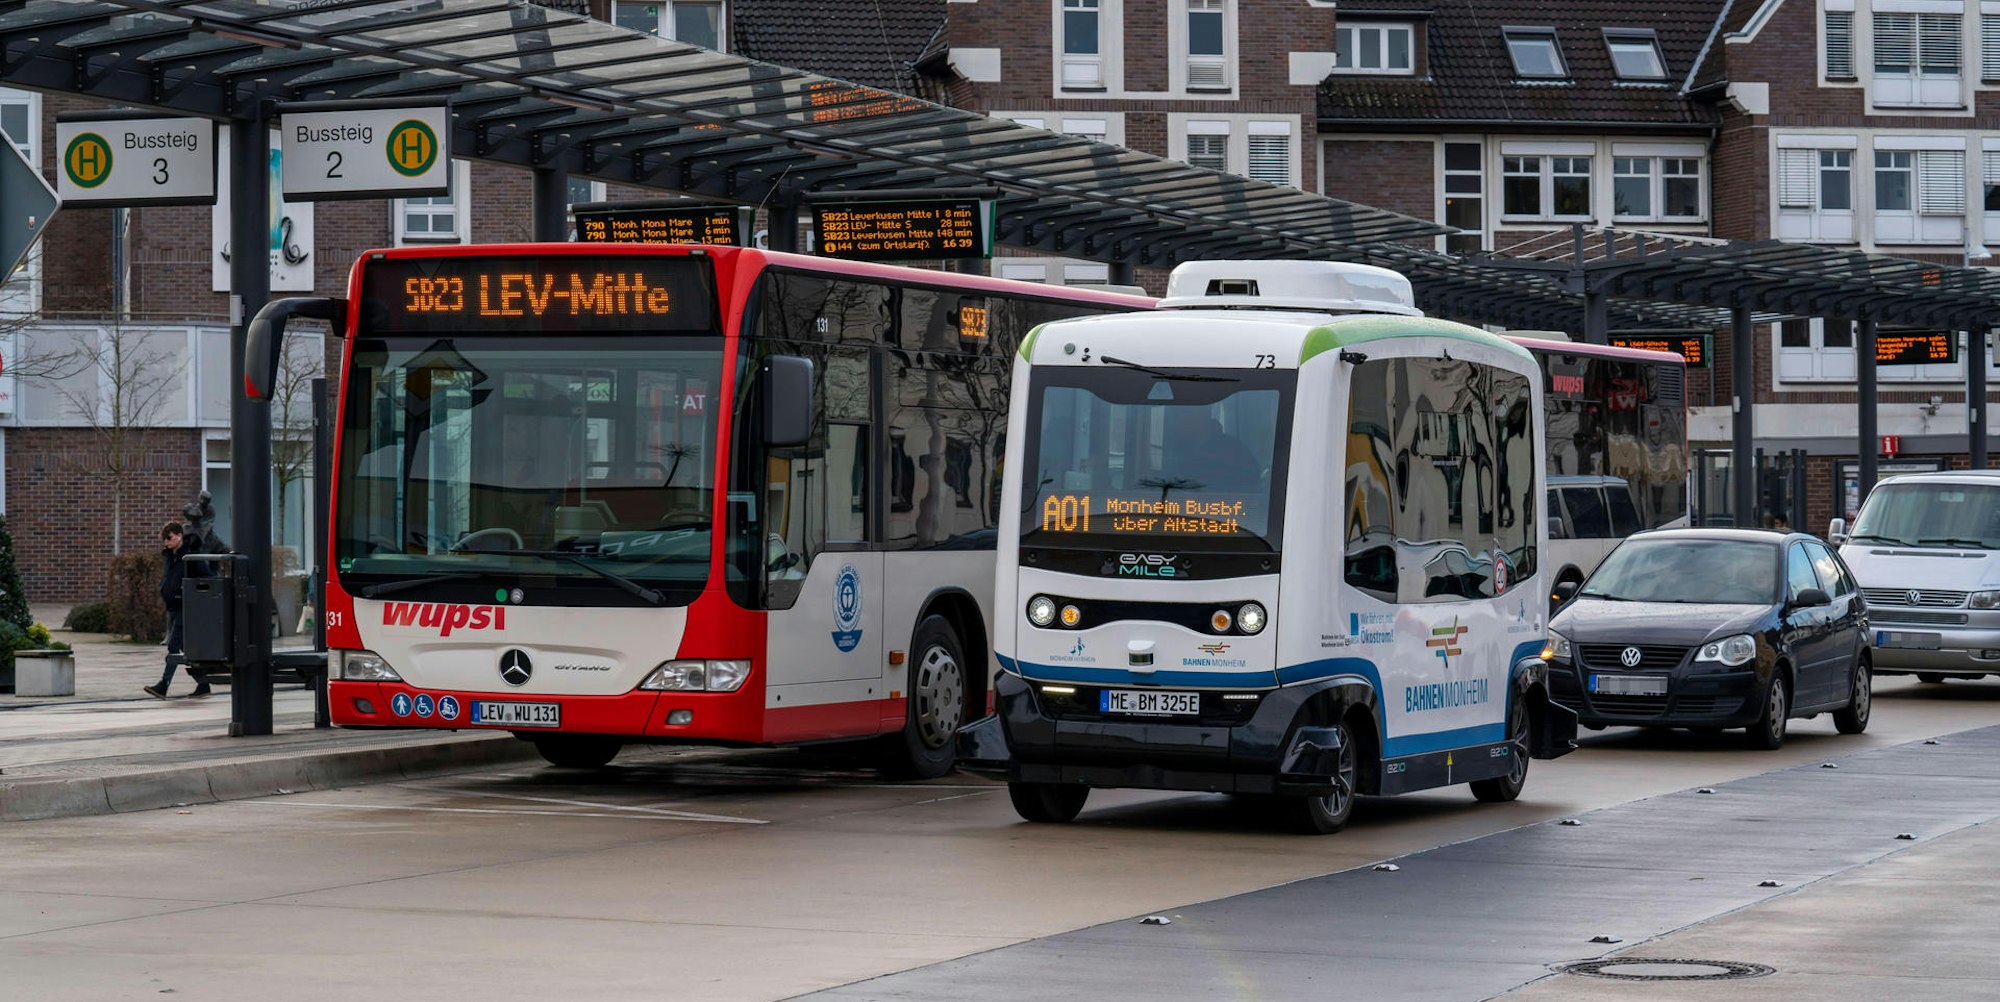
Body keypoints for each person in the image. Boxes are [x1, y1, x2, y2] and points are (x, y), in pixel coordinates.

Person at [143, 521, 210, 699]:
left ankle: (163, 686)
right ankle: (203, 684)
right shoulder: (169, 555)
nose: (166, 542)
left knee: (173, 645)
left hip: (185, 606)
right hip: (173, 607)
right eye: (164, 539)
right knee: (184, 647)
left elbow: (207, 578)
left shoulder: (191, 556)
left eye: (169, 538)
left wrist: (191, 595)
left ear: (179, 535)